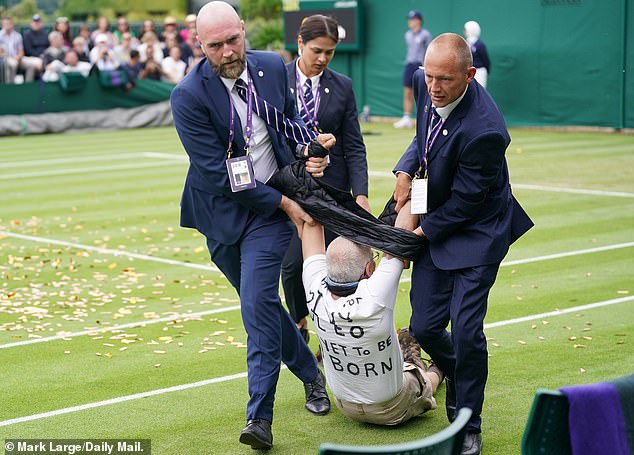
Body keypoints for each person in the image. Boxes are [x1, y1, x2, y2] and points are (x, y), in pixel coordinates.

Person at [170, 1, 336, 450]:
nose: (227, 52)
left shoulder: (271, 68)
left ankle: (258, 418)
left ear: (243, 31)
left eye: (233, 40)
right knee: (262, 307)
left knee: (256, 306)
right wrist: (285, 201)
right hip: (224, 215)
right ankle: (312, 375)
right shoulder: (187, 96)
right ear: (199, 45)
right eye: (216, 45)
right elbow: (216, 173)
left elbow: (288, 123)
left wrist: (308, 149)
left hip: (271, 215)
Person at [392, 33, 533, 455]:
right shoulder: (427, 83)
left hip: (477, 232)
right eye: (429, 77)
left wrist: (414, 236)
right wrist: (405, 169)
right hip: (438, 214)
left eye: (445, 80)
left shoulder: (486, 131)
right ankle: (458, 375)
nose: (433, 87)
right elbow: (425, 138)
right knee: (424, 327)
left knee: (468, 332)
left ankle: (469, 419)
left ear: (469, 75)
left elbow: (466, 205)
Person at [299, 203, 442, 425]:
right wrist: (412, 192)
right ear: (369, 270)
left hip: (344, 404)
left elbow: (309, 223)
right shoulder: (374, 294)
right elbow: (401, 234)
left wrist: (308, 188)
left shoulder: (313, 286)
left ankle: (407, 353)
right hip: (391, 408)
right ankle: (436, 370)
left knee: (394, 352)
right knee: (420, 378)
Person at [282, 14, 370, 345]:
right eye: (317, 50)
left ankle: (336, 335)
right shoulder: (279, 80)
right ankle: (300, 322)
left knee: (337, 267)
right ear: (300, 43)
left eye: (330, 53)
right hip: (293, 191)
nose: (322, 59)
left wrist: (360, 194)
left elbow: (355, 146)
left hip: (334, 193)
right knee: (292, 268)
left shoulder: (343, 86)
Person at [394, 10, 432, 129]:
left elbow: (430, 50)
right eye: (409, 20)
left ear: (419, 21)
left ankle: (427, 118)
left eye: (413, 19)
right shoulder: (408, 35)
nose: (410, 22)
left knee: (424, 93)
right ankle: (407, 118)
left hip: (421, 66)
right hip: (409, 65)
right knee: (407, 92)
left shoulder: (426, 34)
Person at [463, 21, 490, 89]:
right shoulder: (466, 43)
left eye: (465, 30)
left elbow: (486, 61)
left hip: (479, 72)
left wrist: (486, 72)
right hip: (469, 72)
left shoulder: (480, 45)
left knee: (480, 90)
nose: (464, 32)